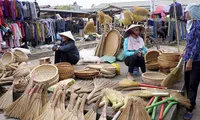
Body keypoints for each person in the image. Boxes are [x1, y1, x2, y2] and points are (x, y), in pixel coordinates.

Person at [183, 3, 200, 120]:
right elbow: (190, 43)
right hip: (188, 57)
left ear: (193, 13)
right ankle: (190, 102)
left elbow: (198, 45)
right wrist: (184, 52)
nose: (185, 14)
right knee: (187, 81)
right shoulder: (191, 24)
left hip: (196, 60)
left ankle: (189, 109)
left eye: (187, 12)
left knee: (193, 84)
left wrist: (190, 60)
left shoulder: (198, 25)